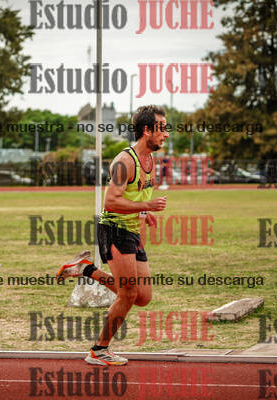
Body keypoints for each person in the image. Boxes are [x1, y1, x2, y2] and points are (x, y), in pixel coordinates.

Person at [56, 105, 169, 365]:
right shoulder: (124, 161)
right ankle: (99, 350)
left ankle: (85, 269)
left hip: (132, 229)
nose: (166, 134)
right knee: (128, 294)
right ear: (147, 130)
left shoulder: (151, 161)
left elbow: (135, 194)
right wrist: (147, 206)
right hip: (114, 229)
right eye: (161, 129)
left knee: (142, 296)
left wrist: (144, 212)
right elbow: (110, 202)